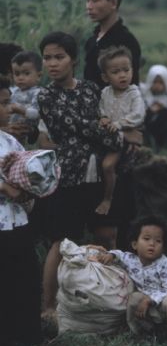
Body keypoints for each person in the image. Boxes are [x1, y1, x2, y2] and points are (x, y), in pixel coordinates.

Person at [37, 31, 139, 318]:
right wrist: (116, 137)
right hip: (67, 177)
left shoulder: (92, 90)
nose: (53, 64)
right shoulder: (45, 95)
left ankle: (114, 300)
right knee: (61, 241)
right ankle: (48, 306)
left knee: (107, 235)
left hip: (99, 177)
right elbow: (80, 128)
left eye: (59, 57)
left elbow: (103, 122)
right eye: (47, 58)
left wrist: (111, 131)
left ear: (74, 60)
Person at [0, 76, 41, 346]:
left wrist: (27, 190)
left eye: (6, 102)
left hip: (17, 222)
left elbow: (27, 172)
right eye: (2, 103)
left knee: (18, 283)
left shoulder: (10, 140)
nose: (6, 109)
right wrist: (4, 189)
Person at [94, 216, 167, 340]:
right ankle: (142, 333)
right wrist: (112, 255)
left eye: (158, 241)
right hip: (147, 307)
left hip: (165, 303)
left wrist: (148, 300)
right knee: (134, 298)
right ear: (135, 244)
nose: (152, 244)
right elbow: (121, 255)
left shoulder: (166, 265)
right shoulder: (131, 259)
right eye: (146, 239)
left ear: (164, 248)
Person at [96, 45, 145, 215]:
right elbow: (101, 109)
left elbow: (138, 114)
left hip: (122, 136)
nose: (123, 75)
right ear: (105, 76)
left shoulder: (133, 92)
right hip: (107, 137)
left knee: (108, 165)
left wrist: (118, 123)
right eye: (116, 72)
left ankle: (107, 199)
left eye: (126, 69)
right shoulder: (105, 92)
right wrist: (103, 117)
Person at [84, 0, 141, 88]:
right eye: (88, 0)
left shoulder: (126, 41)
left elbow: (131, 88)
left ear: (113, 3)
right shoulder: (92, 40)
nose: (89, 6)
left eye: (95, 0)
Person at [141, 64, 167, 149]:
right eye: (155, 82)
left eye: (161, 82)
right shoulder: (146, 95)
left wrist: (162, 108)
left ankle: (162, 143)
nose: (157, 85)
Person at [10, 50, 42, 144]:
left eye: (26, 73)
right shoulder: (13, 91)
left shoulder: (37, 92)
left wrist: (21, 110)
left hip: (28, 132)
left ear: (39, 76)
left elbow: (36, 114)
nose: (20, 78)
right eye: (17, 74)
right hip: (12, 130)